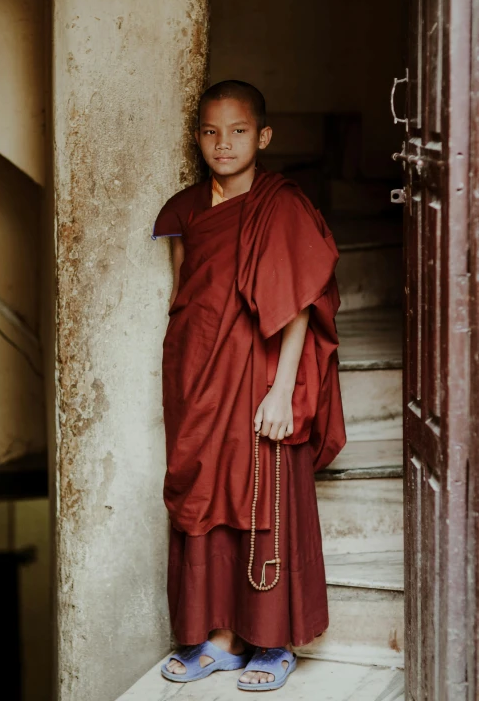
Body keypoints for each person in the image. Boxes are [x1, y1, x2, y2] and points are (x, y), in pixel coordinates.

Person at [152, 80, 346, 691]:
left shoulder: (281, 204)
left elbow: (297, 304)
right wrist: (187, 381)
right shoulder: (184, 209)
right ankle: (219, 639)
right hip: (198, 376)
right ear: (197, 137)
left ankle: (270, 642)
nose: (223, 143)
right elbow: (186, 297)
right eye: (210, 131)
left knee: (263, 494)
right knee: (205, 500)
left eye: (238, 131)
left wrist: (283, 389)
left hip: (261, 375)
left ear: (262, 136)